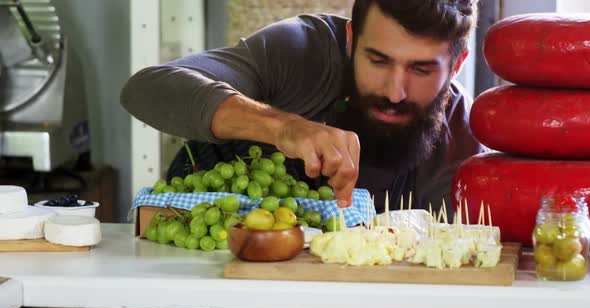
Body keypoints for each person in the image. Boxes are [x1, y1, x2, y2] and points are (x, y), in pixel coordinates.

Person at [120, 0, 486, 217]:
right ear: (350, 40)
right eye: (377, 60)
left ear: (456, 66)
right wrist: (281, 127)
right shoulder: (299, 50)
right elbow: (145, 88)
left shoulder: (462, 140)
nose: (394, 92)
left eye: (421, 70)